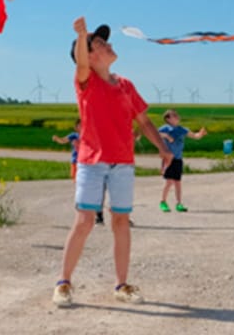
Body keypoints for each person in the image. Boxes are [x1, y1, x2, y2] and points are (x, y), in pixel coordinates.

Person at [54, 18, 172, 308]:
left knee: (121, 221)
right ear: (90, 55)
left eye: (106, 41)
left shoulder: (126, 85)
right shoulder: (86, 81)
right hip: (92, 162)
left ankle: (121, 284)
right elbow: (81, 64)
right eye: (100, 43)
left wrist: (162, 148)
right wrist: (82, 36)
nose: (108, 44)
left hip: (123, 163)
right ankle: (63, 283)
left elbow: (143, 121)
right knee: (84, 221)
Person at [51, 119, 103, 225]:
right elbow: (64, 140)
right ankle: (83, 202)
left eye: (83, 125)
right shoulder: (74, 136)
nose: (82, 127)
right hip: (76, 162)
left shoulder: (89, 135)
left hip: (88, 163)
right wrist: (57, 139)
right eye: (80, 126)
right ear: (76, 128)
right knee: (78, 183)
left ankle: (93, 209)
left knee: (88, 185)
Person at [157, 109, 207, 213]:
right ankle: (163, 202)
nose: (177, 117)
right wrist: (166, 136)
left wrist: (200, 134)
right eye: (174, 115)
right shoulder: (165, 128)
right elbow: (154, 134)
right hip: (168, 159)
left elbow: (195, 136)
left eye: (177, 115)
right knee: (169, 181)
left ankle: (179, 203)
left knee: (178, 182)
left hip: (178, 159)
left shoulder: (182, 129)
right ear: (168, 119)